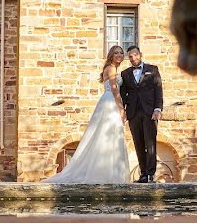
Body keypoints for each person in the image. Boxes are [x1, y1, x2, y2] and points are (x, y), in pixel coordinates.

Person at [43, 46, 131, 184]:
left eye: (121, 52)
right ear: (111, 55)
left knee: (107, 135)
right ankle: (107, 173)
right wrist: (122, 109)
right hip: (111, 102)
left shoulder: (110, 68)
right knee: (109, 134)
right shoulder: (112, 68)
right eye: (116, 53)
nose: (119, 55)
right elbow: (115, 90)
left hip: (107, 101)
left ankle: (109, 171)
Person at [120, 46, 163, 183]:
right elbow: (122, 94)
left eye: (135, 55)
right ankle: (143, 174)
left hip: (149, 111)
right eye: (131, 57)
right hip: (133, 113)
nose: (133, 59)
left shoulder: (153, 69)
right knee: (138, 143)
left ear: (140, 55)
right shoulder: (125, 73)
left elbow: (158, 89)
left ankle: (151, 174)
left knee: (150, 143)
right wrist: (124, 110)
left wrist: (158, 109)